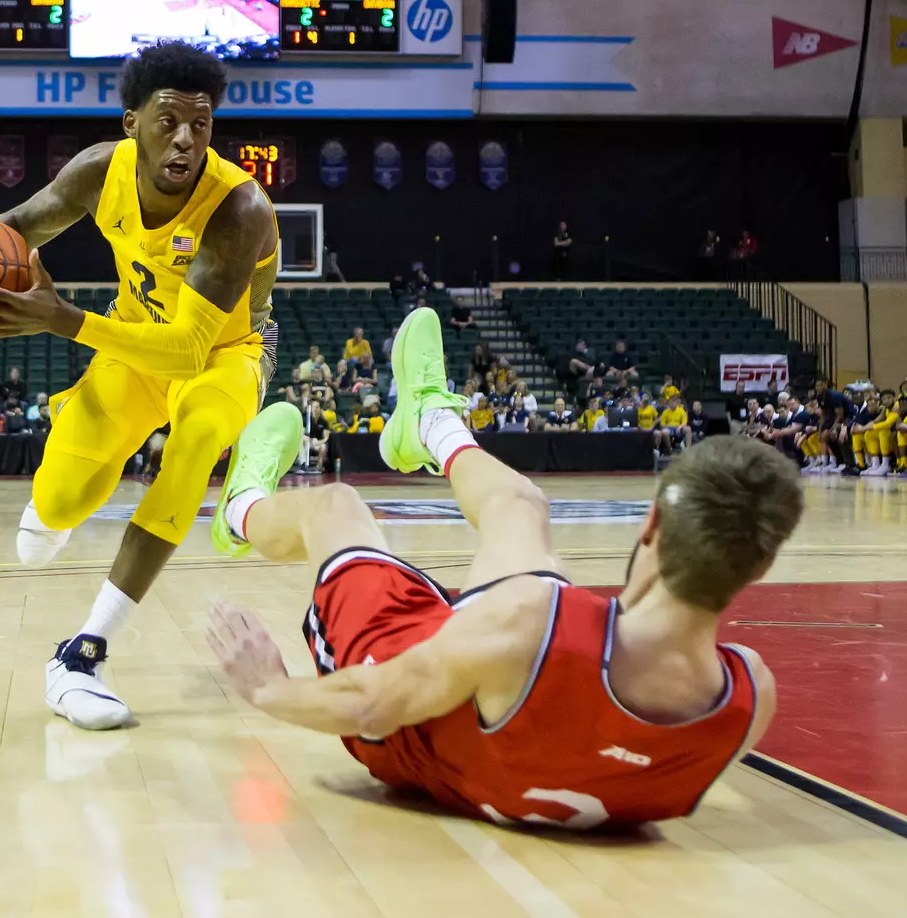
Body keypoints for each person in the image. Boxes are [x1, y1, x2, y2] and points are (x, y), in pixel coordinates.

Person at [203, 308, 797, 830]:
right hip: (491, 679)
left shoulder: (531, 624)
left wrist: (268, 688)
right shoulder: (749, 697)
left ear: (651, 527)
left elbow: (370, 705)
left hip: (411, 715)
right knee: (519, 508)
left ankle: (240, 507)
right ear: (760, 566)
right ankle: (431, 425)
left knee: (336, 507)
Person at [0, 41, 280, 732]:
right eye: (168, 120)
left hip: (222, 354)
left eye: (200, 125)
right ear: (132, 124)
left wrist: (62, 319)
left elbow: (185, 351)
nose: (185, 138)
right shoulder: (98, 172)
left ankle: (83, 652)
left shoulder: (240, 210)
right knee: (59, 502)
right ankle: (54, 506)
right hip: (130, 341)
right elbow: (18, 228)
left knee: (196, 441)